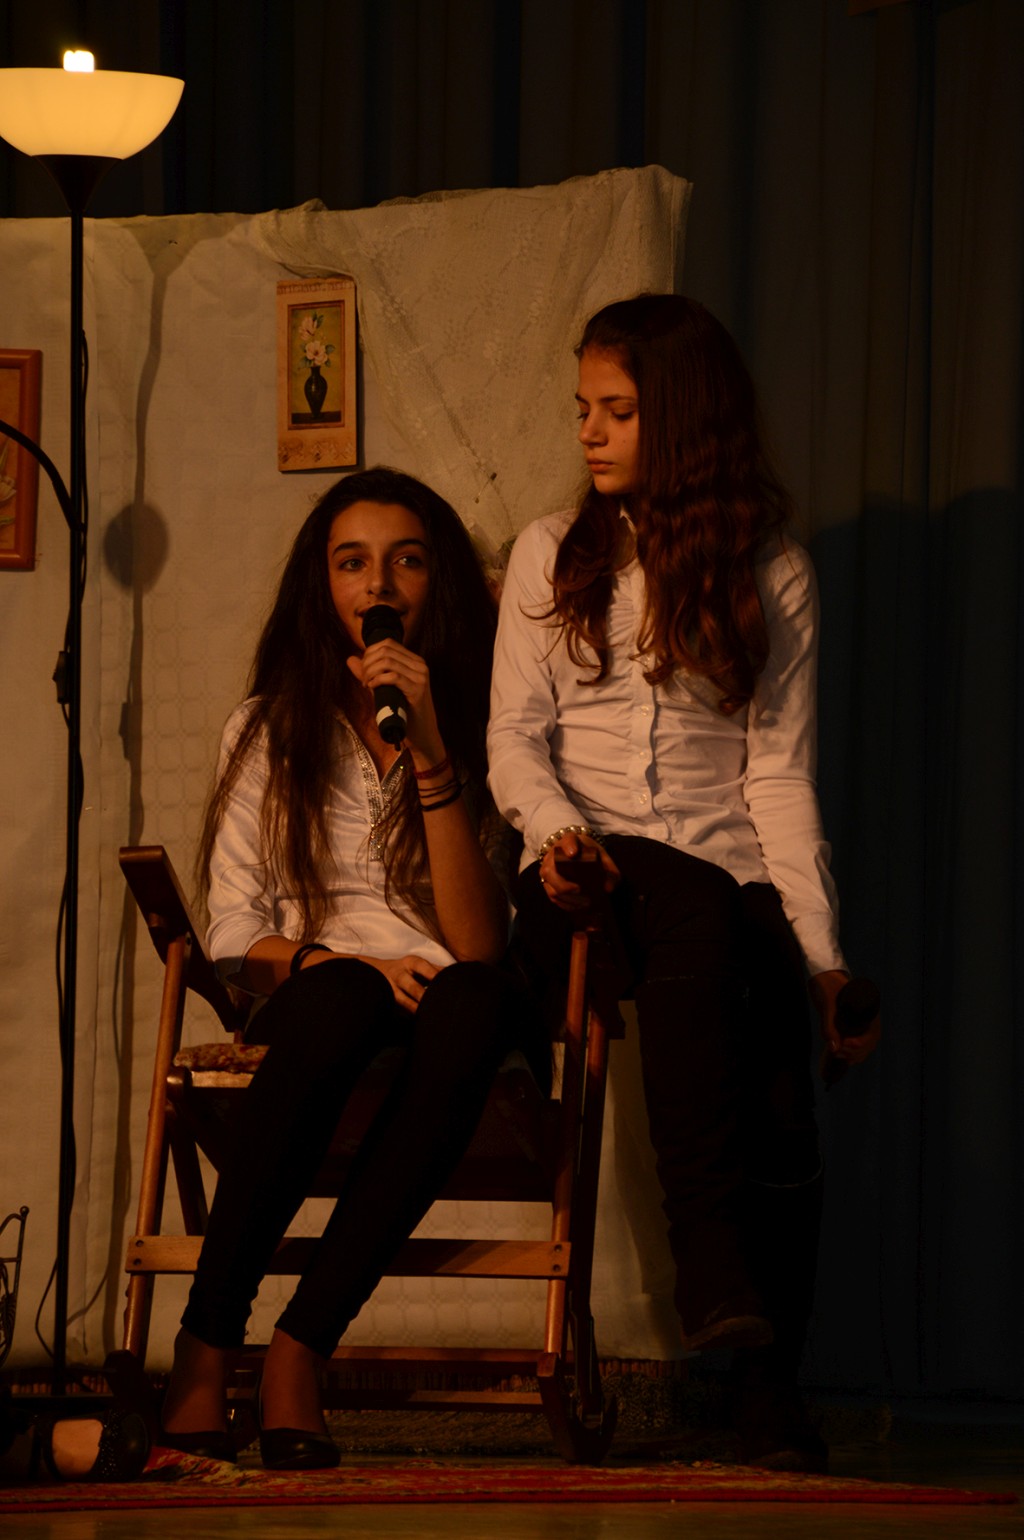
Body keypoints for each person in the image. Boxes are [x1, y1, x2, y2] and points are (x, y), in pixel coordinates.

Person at [487, 294, 880, 1473]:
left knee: (774, 1054)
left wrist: (821, 960)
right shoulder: (550, 553)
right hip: (579, 879)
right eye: (583, 408)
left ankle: (767, 1380)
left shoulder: (772, 570)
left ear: (685, 415)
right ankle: (707, 1261)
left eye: (615, 410)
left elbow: (778, 777)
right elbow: (513, 737)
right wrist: (559, 833)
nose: (588, 432)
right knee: (695, 898)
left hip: (715, 880)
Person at [157, 465, 542, 1472]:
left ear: (436, 582)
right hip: (319, 993)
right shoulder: (267, 727)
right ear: (321, 585)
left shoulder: (488, 731)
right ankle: (207, 1343)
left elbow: (480, 942)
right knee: (338, 998)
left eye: (406, 561)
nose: (379, 584)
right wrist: (344, 960)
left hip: (448, 1001)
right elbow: (235, 930)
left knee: (475, 1000)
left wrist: (432, 751)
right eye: (352, 562)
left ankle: (301, 1348)